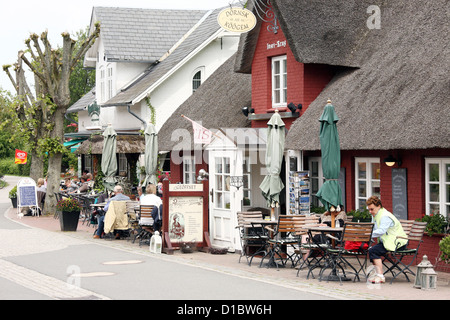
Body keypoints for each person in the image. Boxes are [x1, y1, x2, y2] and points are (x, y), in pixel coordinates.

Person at [366, 196, 408, 284]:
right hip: (389, 242)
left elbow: (381, 231)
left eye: (372, 209)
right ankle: (377, 274)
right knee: (371, 250)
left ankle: (380, 276)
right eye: (369, 209)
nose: (370, 211)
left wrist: (367, 235)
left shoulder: (385, 216)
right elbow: (373, 228)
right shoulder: (376, 214)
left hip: (397, 243)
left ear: (378, 206)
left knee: (373, 251)